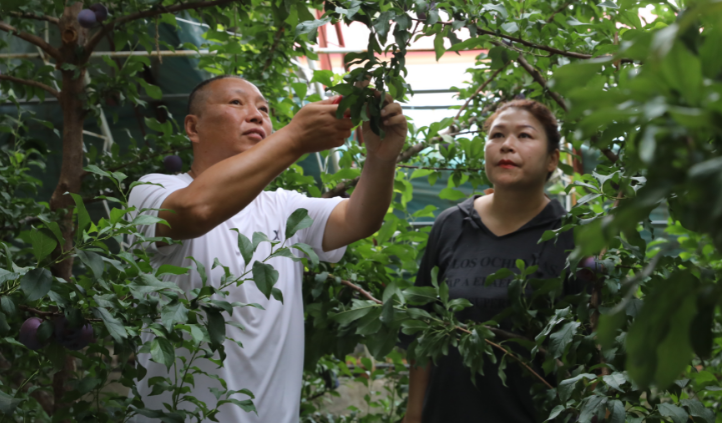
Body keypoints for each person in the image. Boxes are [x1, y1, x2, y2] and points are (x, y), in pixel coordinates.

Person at [127, 75, 407, 423]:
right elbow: (195, 210)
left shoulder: (284, 208)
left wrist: (381, 159)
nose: (257, 114)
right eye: (236, 103)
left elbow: (359, 218)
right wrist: (294, 138)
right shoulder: (153, 189)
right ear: (192, 127)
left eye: (264, 108)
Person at [402, 99, 580, 423]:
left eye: (524, 136)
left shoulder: (571, 237)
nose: (507, 146)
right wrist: (414, 414)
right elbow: (424, 329)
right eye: (497, 135)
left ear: (552, 159)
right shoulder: (451, 224)